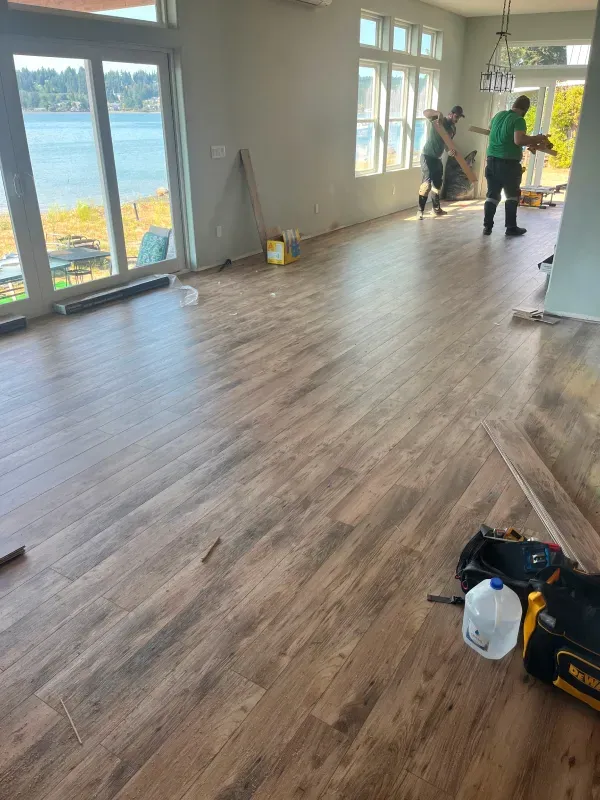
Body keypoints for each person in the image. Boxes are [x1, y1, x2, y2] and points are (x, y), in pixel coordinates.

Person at [483, 95, 550, 237]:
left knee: (492, 195)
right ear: (525, 109)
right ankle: (511, 227)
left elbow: (492, 130)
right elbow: (518, 140)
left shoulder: (498, 115)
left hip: (491, 161)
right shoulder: (519, 120)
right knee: (512, 196)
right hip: (508, 164)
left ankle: (487, 227)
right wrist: (536, 138)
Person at [418, 105, 465, 219]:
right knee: (426, 184)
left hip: (437, 158)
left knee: (437, 185)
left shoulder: (452, 129)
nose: (457, 119)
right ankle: (420, 211)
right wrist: (437, 112)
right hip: (427, 156)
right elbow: (425, 112)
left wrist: (450, 151)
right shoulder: (439, 120)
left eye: (459, 117)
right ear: (450, 114)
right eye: (456, 116)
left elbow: (447, 146)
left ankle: (436, 209)